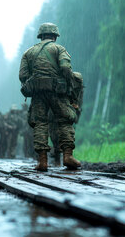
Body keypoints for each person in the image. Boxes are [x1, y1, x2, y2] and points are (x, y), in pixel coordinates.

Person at [19, 23, 81, 171]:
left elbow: (22, 75)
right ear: (54, 36)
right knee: (65, 120)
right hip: (57, 92)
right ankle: (68, 156)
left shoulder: (28, 52)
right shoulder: (59, 49)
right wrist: (69, 85)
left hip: (38, 94)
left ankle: (42, 161)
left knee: (40, 123)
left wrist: (36, 83)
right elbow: (66, 68)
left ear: (40, 35)